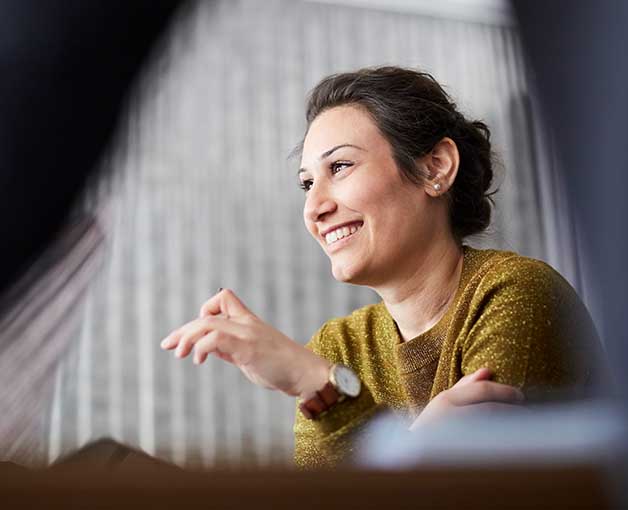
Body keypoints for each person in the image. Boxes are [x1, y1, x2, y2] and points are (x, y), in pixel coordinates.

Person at [160, 66, 602, 469]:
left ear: (436, 167)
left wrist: (320, 386)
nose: (314, 207)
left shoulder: (515, 293)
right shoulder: (340, 348)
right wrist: (421, 441)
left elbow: (475, 493)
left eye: (341, 166)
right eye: (307, 183)